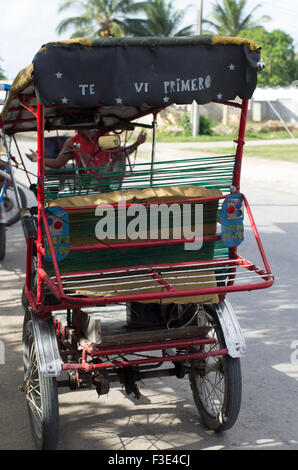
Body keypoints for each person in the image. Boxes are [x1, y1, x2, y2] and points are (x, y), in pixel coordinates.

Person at [25, 129, 147, 169]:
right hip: (86, 181)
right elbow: (58, 163)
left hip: (106, 179)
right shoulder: (73, 142)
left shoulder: (105, 138)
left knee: (119, 154)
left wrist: (137, 143)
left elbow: (124, 153)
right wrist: (40, 159)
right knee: (84, 156)